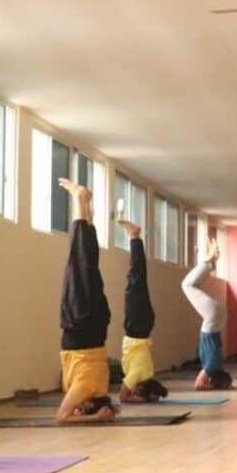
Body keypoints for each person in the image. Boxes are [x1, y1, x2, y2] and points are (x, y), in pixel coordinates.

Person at [55, 179, 117, 423]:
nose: (77, 408)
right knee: (77, 262)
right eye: (82, 409)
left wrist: (104, 411)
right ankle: (80, 200)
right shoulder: (86, 388)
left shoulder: (100, 388)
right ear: (90, 404)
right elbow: (62, 418)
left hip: (96, 327)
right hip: (80, 324)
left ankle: (86, 206)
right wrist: (96, 418)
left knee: (88, 263)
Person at [117, 220, 168, 403]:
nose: (133, 391)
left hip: (142, 327)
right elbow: (123, 396)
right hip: (138, 327)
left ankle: (135, 237)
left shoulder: (147, 372)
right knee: (135, 279)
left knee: (136, 279)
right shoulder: (139, 373)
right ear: (140, 389)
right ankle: (135, 236)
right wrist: (140, 400)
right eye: (137, 391)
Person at [182, 239, 232, 390]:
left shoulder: (218, 365)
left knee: (193, 286)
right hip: (213, 318)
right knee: (187, 285)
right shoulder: (210, 367)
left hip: (218, 318)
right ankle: (209, 260)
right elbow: (199, 385)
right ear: (212, 380)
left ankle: (212, 261)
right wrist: (212, 387)